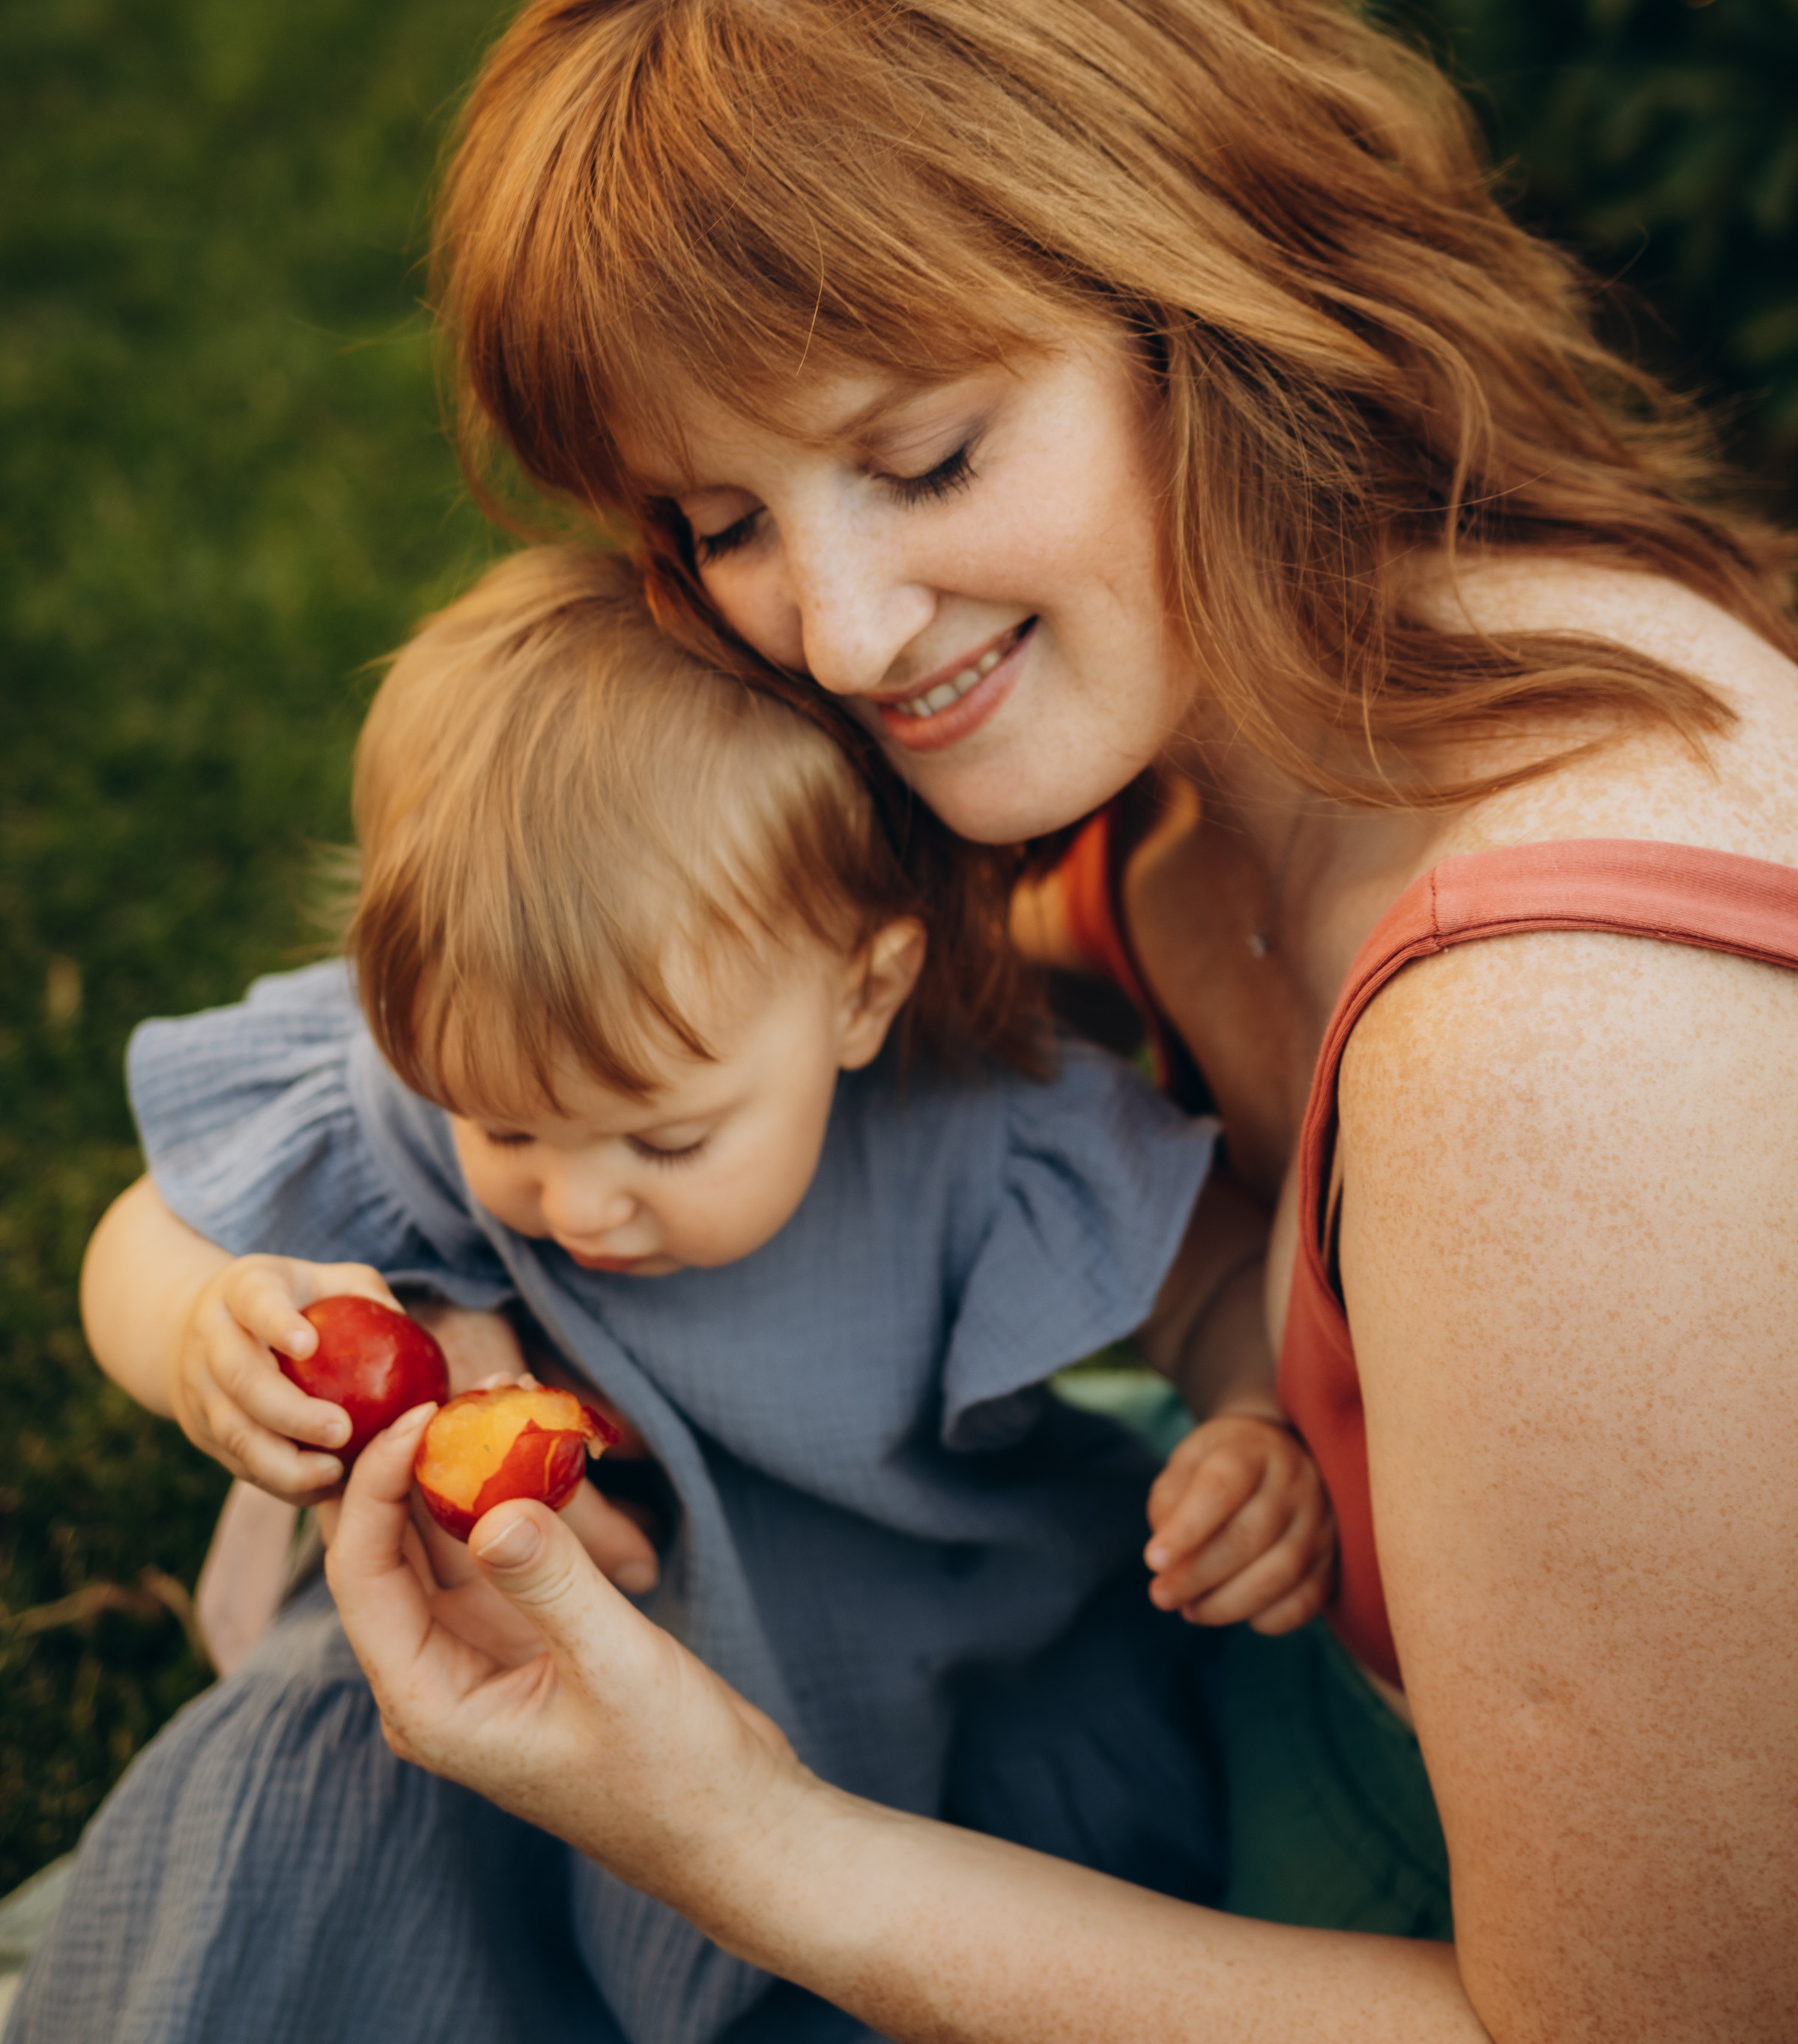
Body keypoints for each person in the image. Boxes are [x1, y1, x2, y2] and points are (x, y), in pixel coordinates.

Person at [323, 0, 1798, 2040]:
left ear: (1206, 291)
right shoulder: (1200, 725)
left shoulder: (1569, 1061)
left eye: (922, 455)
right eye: (717, 519)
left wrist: (744, 1845)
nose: (840, 629)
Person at [10, 545, 1329, 2044]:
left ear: (863, 993)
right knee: (297, 1899)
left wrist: (1241, 1409)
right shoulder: (447, 1076)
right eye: (505, 1130)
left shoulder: (979, 1132)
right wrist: (194, 1330)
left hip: (910, 1692)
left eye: (669, 1139)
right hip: (480, 1695)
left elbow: (1217, 1271)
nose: (577, 1204)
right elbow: (144, 1231)